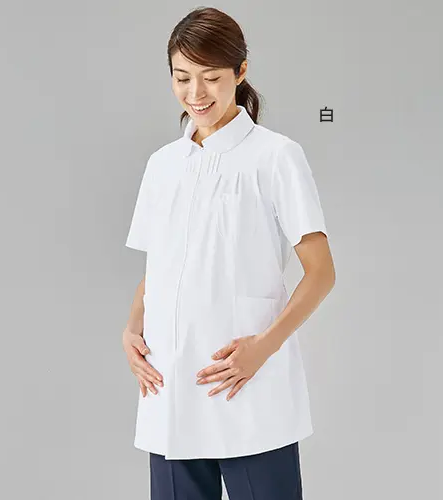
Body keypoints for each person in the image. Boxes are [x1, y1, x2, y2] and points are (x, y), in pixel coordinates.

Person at [122, 6, 336, 500]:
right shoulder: (163, 165)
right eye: (182, 78)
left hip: (247, 388)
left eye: (211, 77)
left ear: (241, 72)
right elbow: (162, 266)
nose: (196, 93)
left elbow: (321, 272)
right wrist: (132, 327)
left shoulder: (275, 156)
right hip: (170, 389)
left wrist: (263, 347)